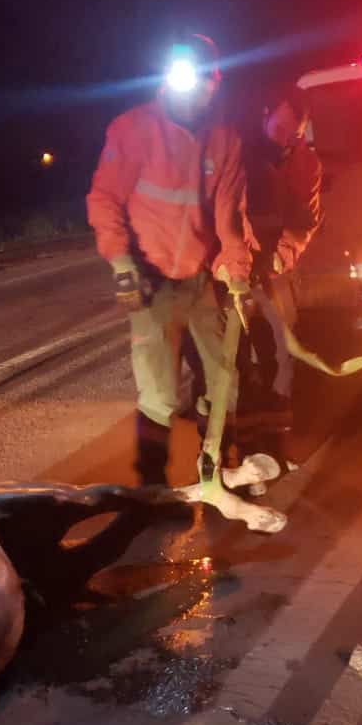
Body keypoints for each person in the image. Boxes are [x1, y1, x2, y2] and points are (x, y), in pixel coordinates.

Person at [87, 33, 252, 486]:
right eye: (185, 80)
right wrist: (122, 264)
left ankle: (215, 470)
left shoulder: (225, 138)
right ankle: (152, 489)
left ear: (214, 84)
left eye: (204, 81)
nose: (195, 90)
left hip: (199, 281)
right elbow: (105, 200)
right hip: (150, 280)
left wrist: (236, 268)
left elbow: (229, 214)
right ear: (168, 81)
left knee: (224, 380)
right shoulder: (133, 128)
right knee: (159, 392)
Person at [236, 86, 323, 473]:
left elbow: (305, 221)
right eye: (282, 125)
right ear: (266, 116)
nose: (287, 135)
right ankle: (236, 446)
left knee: (281, 352)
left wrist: (278, 258)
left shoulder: (305, 164)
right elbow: (224, 210)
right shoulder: (241, 154)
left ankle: (273, 446)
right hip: (237, 270)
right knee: (236, 356)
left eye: (296, 130)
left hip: (275, 270)